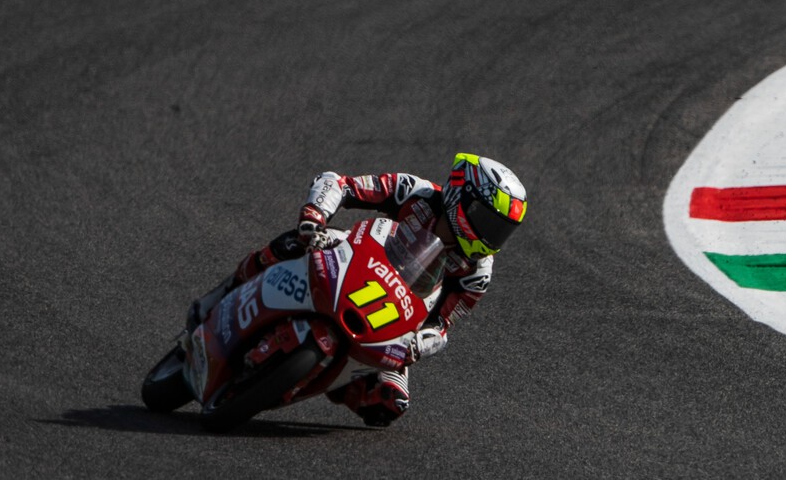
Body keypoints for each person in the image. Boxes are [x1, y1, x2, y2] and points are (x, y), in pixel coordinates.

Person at [188, 153, 530, 427]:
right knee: (292, 243)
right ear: (461, 196)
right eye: (488, 222)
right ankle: (219, 297)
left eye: (501, 230)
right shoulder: (416, 191)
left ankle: (330, 378)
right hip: (354, 255)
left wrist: (419, 345)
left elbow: (441, 324)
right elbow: (341, 184)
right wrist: (315, 216)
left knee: (388, 403)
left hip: (393, 314)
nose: (491, 237)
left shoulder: (478, 271)